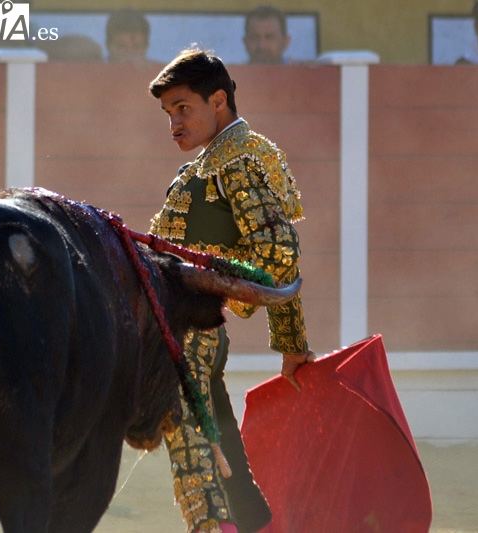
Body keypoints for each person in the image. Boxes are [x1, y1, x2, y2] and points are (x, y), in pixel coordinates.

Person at [148, 48, 313, 533]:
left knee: (196, 454)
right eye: (168, 113)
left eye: (184, 108)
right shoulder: (216, 163)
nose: (174, 123)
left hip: (191, 335)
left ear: (218, 100)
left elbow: (280, 255)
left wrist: (290, 343)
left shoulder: (235, 163)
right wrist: (290, 343)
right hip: (195, 332)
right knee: (229, 463)